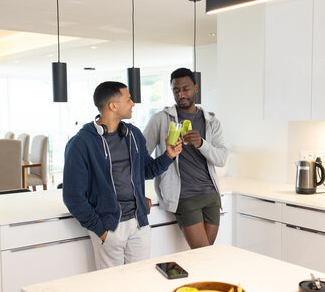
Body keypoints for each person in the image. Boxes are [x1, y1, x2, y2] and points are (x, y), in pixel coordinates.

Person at [63, 81, 182, 270]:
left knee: (139, 279)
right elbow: (72, 197)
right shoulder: (80, 144)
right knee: (112, 287)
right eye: (128, 99)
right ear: (113, 106)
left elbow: (146, 170)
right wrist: (101, 231)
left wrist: (168, 156)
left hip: (139, 224)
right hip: (110, 227)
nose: (133, 103)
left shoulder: (133, 134)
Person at [143, 68, 228, 249]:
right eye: (176, 90)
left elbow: (221, 159)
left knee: (205, 254)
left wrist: (201, 144)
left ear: (196, 88)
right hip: (184, 196)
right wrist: (137, 194)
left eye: (186, 88)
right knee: (203, 253)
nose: (181, 94)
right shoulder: (160, 119)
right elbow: (139, 157)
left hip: (211, 195)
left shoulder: (212, 122)